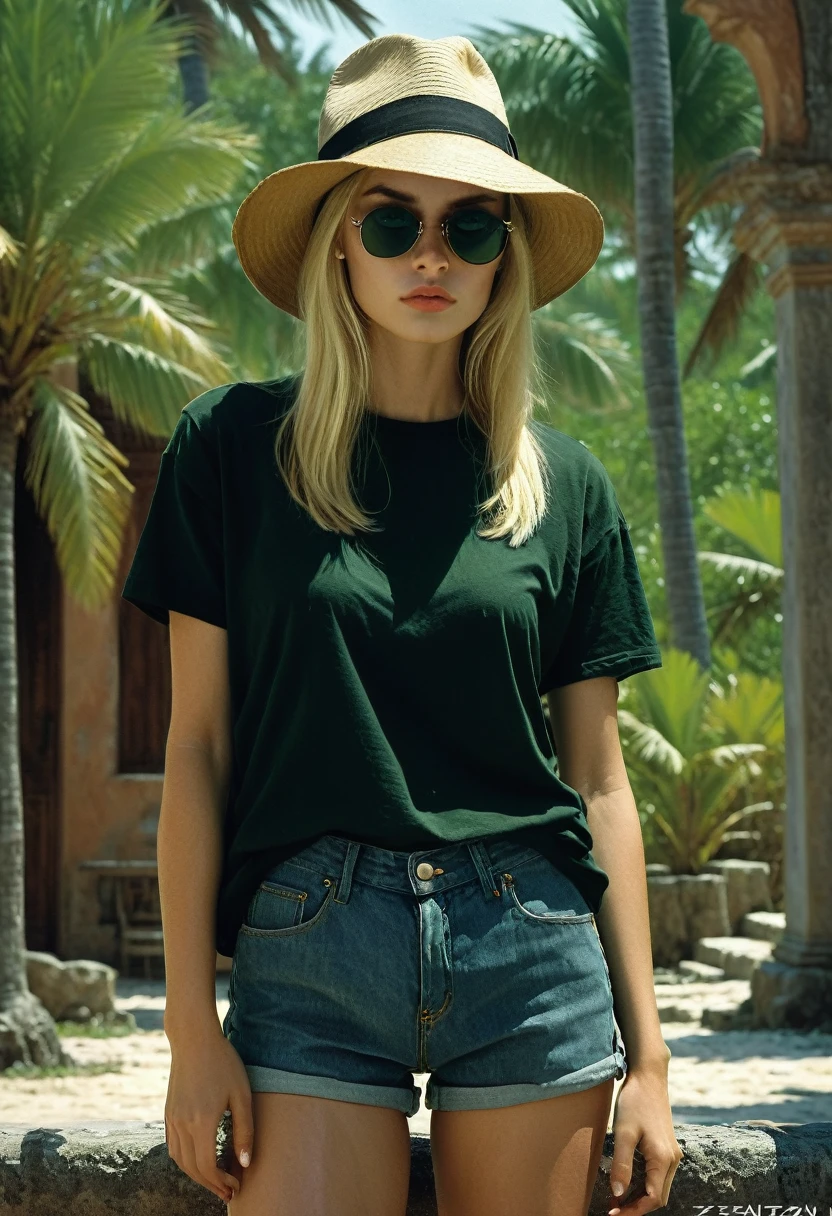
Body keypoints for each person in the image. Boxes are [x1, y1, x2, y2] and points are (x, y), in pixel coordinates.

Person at [121, 31, 683, 1216]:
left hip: (528, 939)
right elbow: (199, 749)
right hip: (307, 939)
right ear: (338, 244)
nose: (430, 254)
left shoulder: (563, 484)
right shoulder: (229, 451)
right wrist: (187, 1029)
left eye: (469, 224)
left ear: (503, 259)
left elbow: (598, 778)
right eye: (392, 220)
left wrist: (653, 1057)